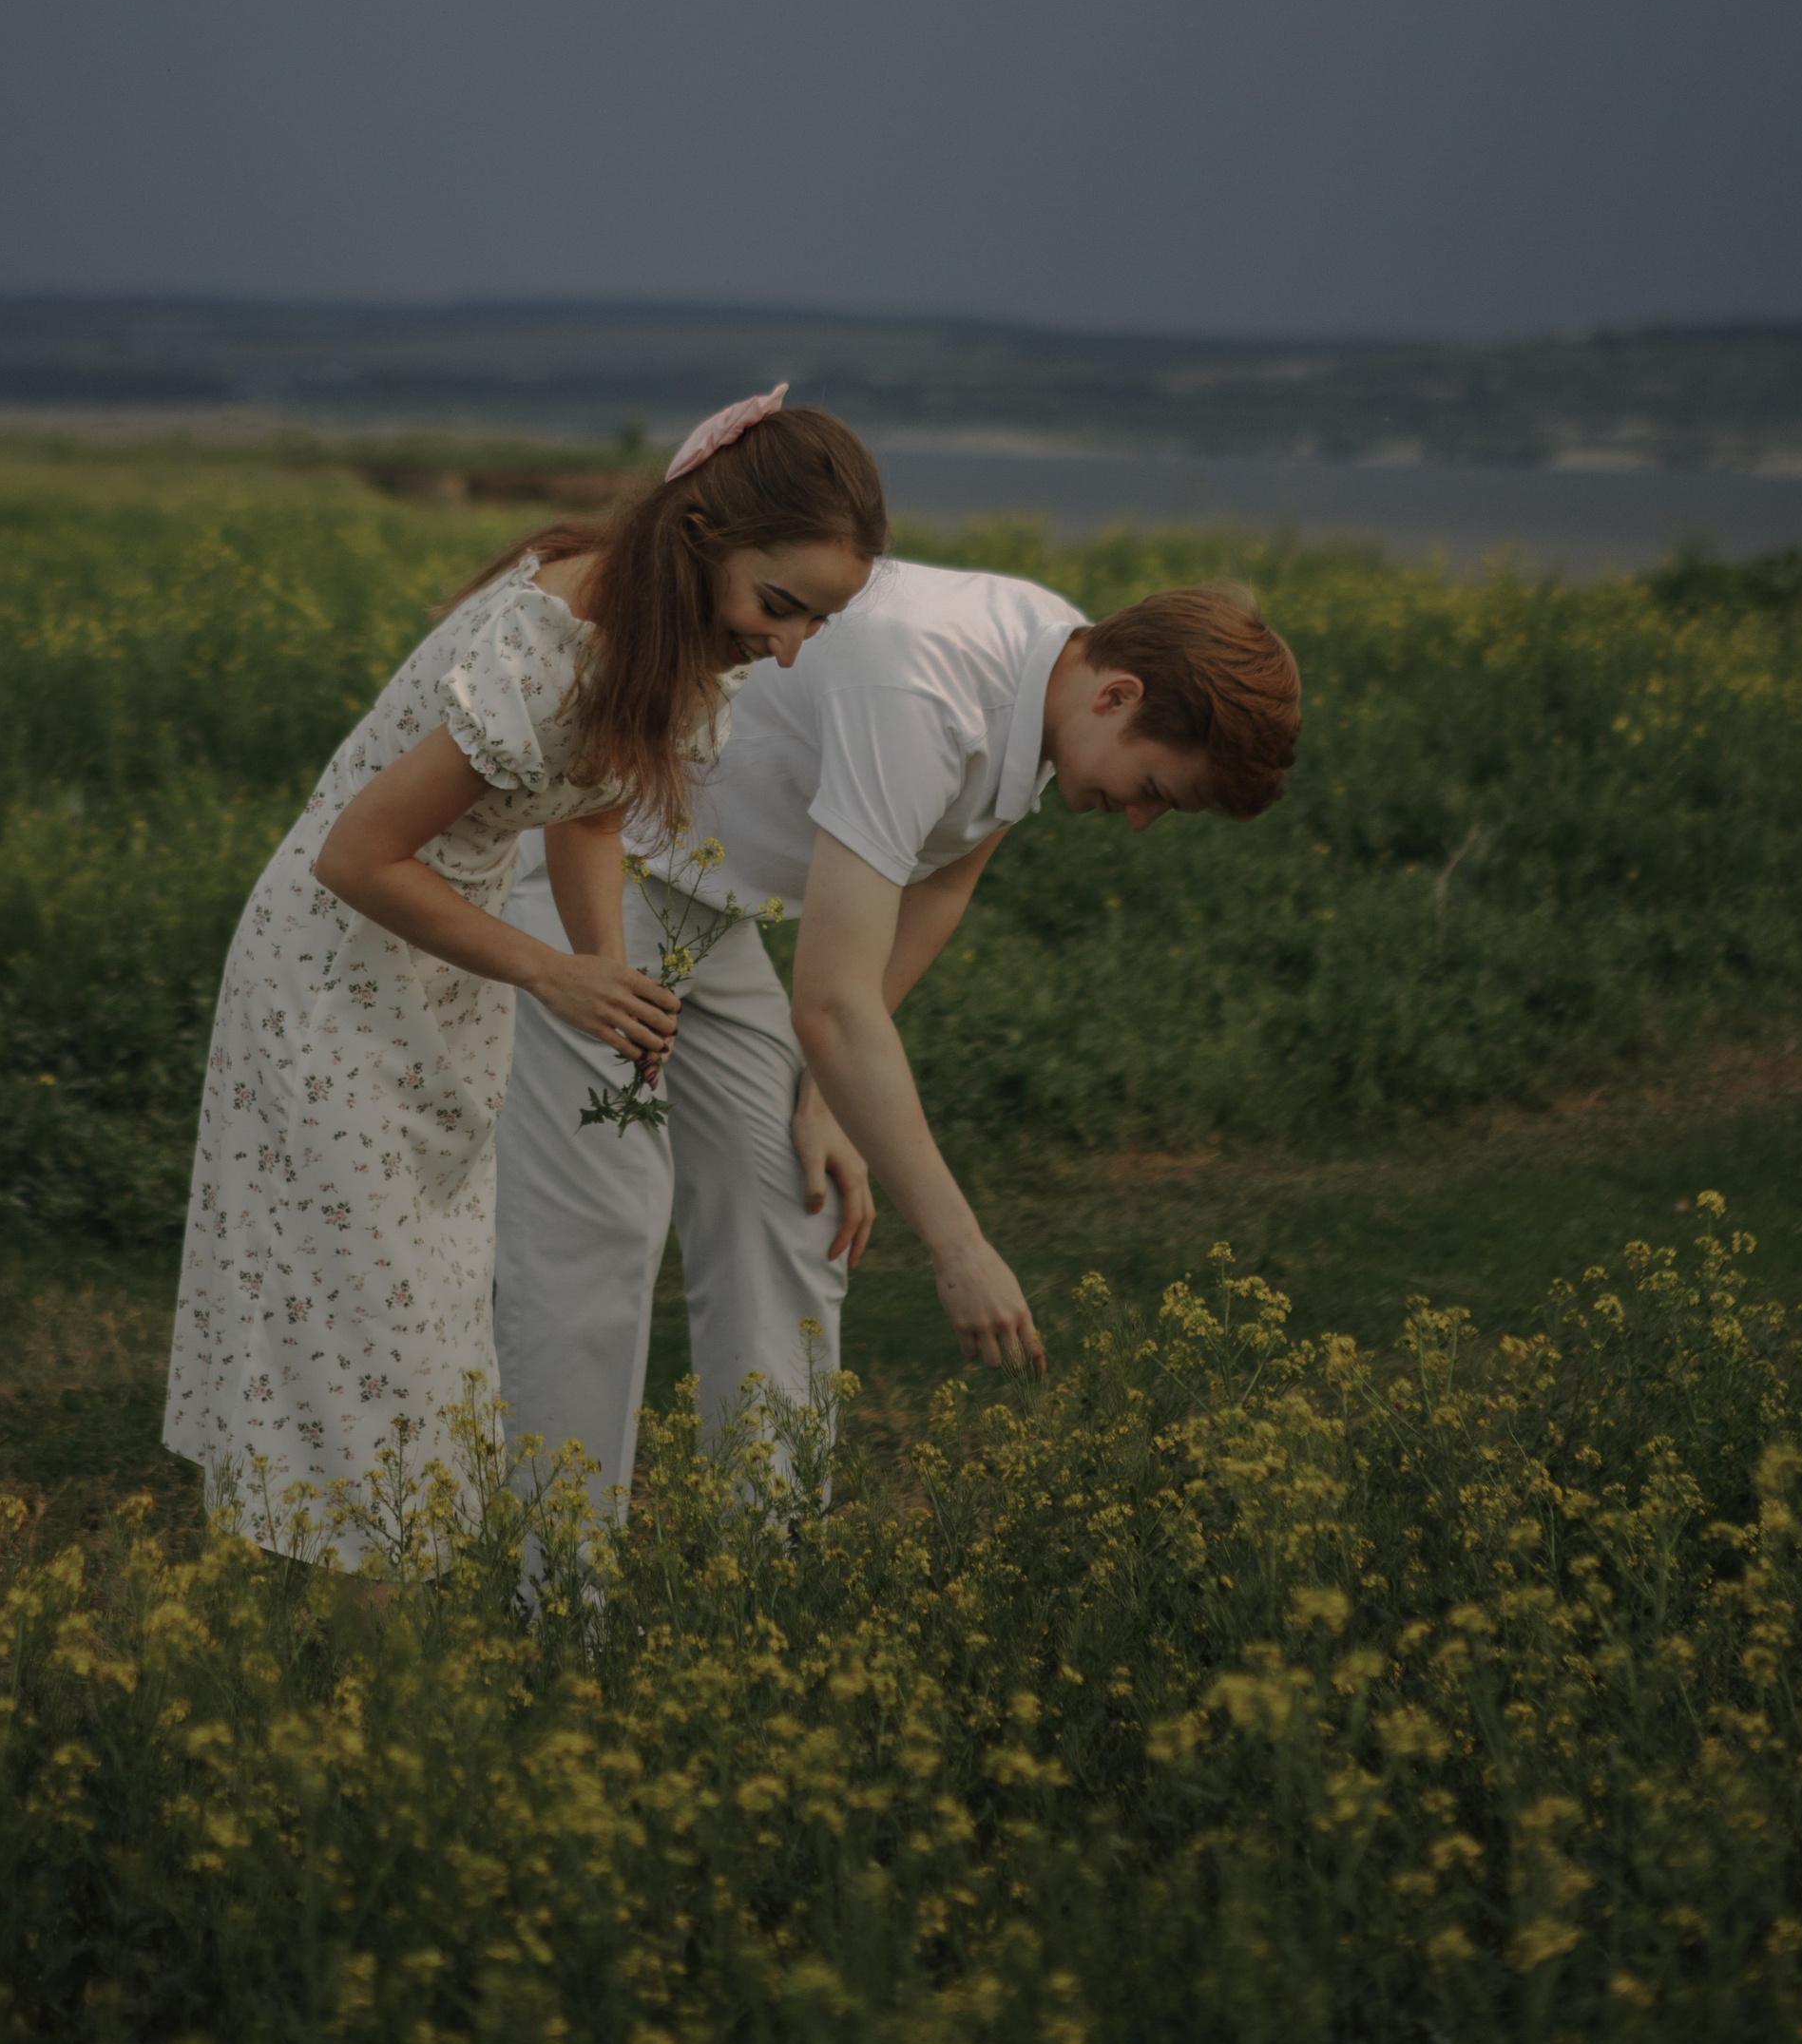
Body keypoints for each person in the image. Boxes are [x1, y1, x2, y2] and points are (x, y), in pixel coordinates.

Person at [163, 392, 888, 1557]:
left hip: (448, 973)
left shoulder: (672, 637)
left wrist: (606, 975)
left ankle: (391, 1631)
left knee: (433, 1308)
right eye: (780, 606)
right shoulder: (548, 645)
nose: (787, 646)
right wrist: (552, 976)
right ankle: (377, 1653)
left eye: (815, 624)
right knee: (362, 1322)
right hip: (335, 977)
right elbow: (356, 854)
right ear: (702, 536)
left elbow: (591, 817)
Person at [494, 564, 1299, 1505]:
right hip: (590, 877)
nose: (1139, 818)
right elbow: (831, 1008)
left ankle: (760, 1565)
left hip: (711, 906)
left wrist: (830, 1101)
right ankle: (552, 1595)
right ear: (1119, 697)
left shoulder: (1058, 667)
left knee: (804, 1205)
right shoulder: (927, 687)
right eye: (1153, 786)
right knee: (600, 1234)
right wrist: (959, 1249)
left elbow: (942, 881)